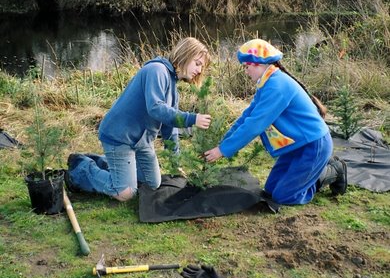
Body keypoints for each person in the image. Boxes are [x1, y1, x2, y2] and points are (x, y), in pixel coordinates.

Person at [204, 38, 347, 206]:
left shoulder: (277, 86)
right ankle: (311, 173)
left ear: (258, 64)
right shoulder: (266, 83)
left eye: (247, 66)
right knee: (271, 190)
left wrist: (223, 150)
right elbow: (246, 117)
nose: (246, 71)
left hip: (313, 145)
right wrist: (223, 143)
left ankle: (332, 170)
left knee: (284, 197)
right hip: (296, 146)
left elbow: (255, 125)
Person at [65, 37, 211, 201]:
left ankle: (106, 163)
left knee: (152, 184)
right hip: (119, 137)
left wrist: (175, 161)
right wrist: (191, 119)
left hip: (141, 142)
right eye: (197, 63)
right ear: (185, 54)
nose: (199, 71)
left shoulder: (173, 88)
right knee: (125, 193)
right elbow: (156, 108)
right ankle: (83, 168)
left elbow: (170, 127)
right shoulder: (157, 70)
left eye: (202, 67)